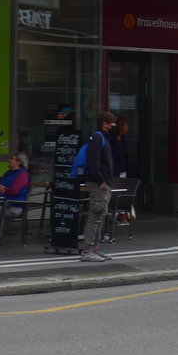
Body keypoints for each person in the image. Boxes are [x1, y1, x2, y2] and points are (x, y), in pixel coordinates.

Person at [79, 112, 118, 263]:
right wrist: (100, 180)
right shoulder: (97, 137)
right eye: (111, 123)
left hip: (103, 182)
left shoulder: (101, 137)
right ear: (104, 123)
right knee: (95, 215)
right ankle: (87, 250)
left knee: (100, 215)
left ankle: (95, 248)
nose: (113, 125)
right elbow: (93, 161)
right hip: (99, 183)